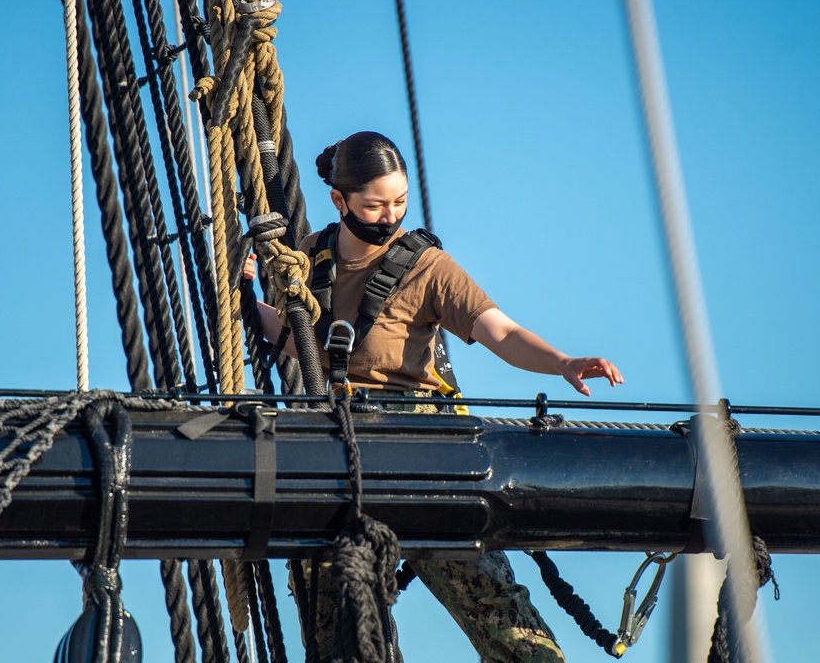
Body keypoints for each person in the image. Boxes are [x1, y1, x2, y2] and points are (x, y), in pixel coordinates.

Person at [248, 131, 623, 663]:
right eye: (375, 205)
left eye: (399, 202)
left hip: (421, 452)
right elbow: (295, 341)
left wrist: (561, 362)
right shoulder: (311, 258)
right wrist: (243, 296)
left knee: (502, 621)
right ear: (340, 201)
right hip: (337, 447)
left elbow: (502, 333)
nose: (389, 216)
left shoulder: (427, 268)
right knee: (338, 637)